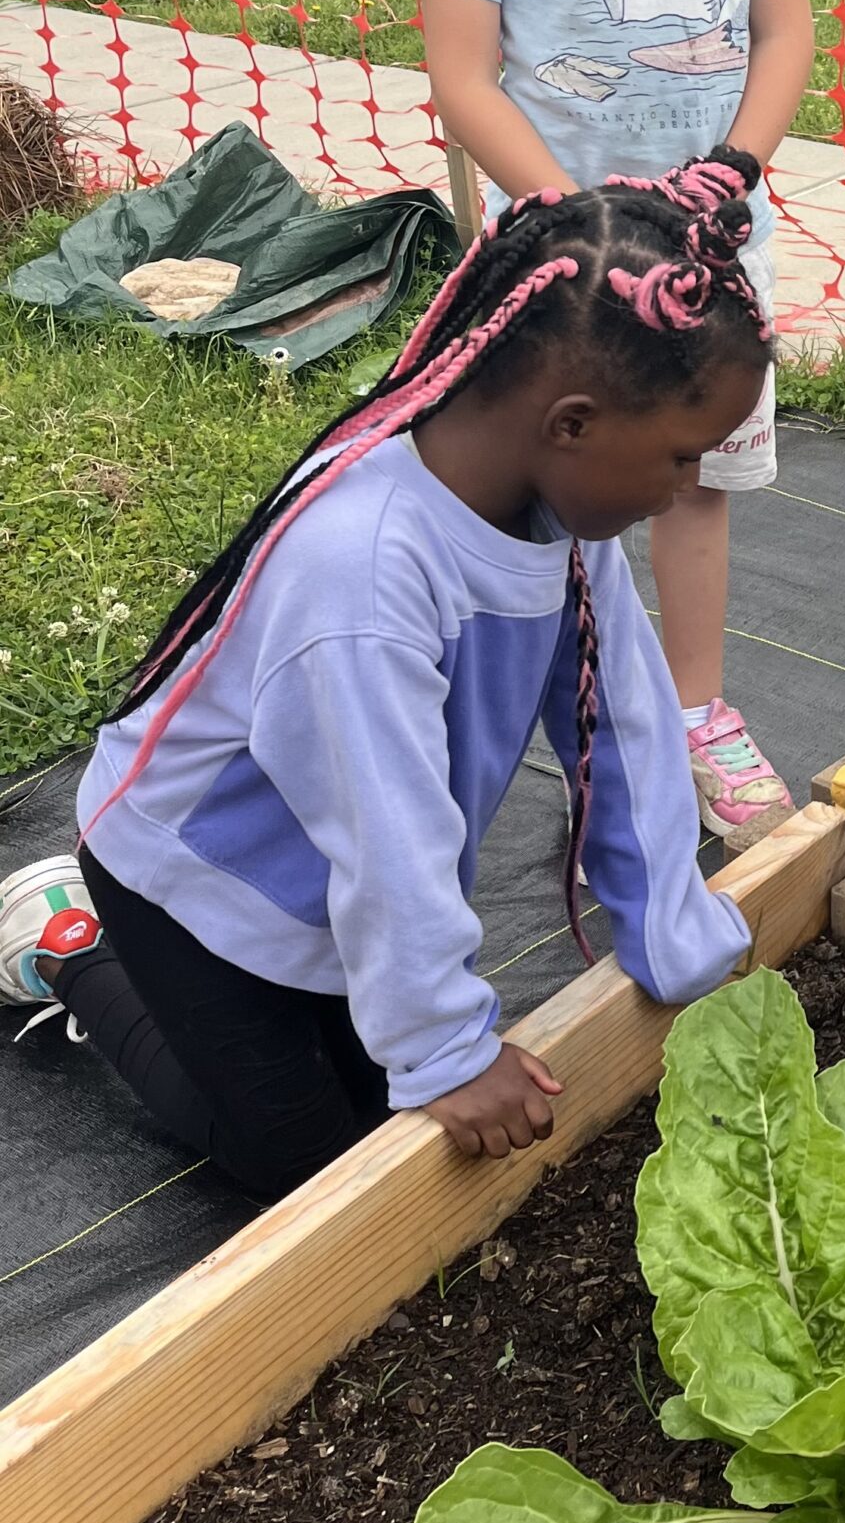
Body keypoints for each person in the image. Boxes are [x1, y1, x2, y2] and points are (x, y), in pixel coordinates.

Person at [0, 162, 773, 1200]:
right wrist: (448, 1048)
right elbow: (388, 830)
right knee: (305, 1165)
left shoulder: (562, 517)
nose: (686, 490)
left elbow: (619, 725)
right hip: (188, 880)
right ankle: (72, 955)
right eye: (682, 457)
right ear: (572, 422)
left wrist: (672, 931)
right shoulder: (360, 569)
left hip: (328, 879)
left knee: (385, 1115)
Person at [369, 0, 831, 835]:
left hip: (704, 265)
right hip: (554, 271)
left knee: (690, 485)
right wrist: (575, 219)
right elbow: (463, 76)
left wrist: (729, 170)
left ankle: (690, 706)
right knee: (546, 500)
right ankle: (572, 716)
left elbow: (785, 31)